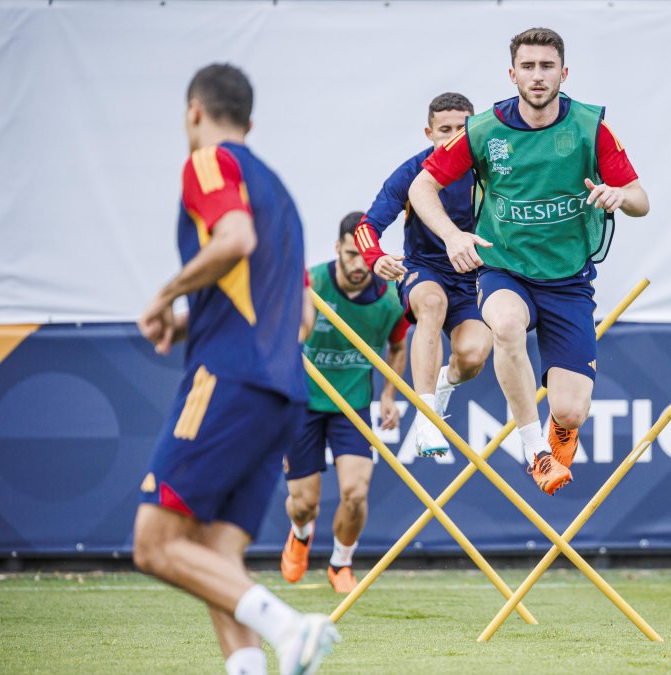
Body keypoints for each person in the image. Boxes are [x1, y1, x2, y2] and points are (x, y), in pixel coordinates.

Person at [132, 63, 337, 675]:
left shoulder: (207, 162)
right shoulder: (283, 195)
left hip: (228, 379)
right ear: (251, 119)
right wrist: (194, 317)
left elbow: (234, 240)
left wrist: (165, 297)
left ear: (195, 111)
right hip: (283, 391)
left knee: (155, 543)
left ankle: (290, 627)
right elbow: (297, 317)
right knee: (214, 554)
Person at [407, 27, 649, 494]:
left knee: (572, 411)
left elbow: (642, 199)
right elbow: (422, 187)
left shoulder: (590, 127)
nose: (538, 76)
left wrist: (620, 194)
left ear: (564, 72)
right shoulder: (483, 130)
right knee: (506, 326)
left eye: (547, 66)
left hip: (568, 280)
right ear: (512, 73)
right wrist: (454, 235)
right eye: (529, 67)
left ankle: (557, 431)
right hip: (504, 268)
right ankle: (533, 447)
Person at [353, 93, 492, 458]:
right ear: (428, 132)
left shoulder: (490, 170)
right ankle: (427, 416)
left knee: (473, 356)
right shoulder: (413, 172)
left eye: (461, 129)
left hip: (475, 276)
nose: (452, 137)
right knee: (431, 303)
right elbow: (367, 226)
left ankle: (444, 381)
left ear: (474, 130)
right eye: (444, 129)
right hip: (425, 269)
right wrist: (375, 258)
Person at [280, 212, 409, 593]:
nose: (357, 265)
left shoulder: (390, 299)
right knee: (304, 504)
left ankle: (340, 563)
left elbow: (398, 347)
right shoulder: (312, 283)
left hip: (351, 406)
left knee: (355, 493)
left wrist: (388, 395)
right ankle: (301, 534)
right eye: (350, 254)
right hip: (303, 403)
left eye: (363, 256)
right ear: (337, 248)